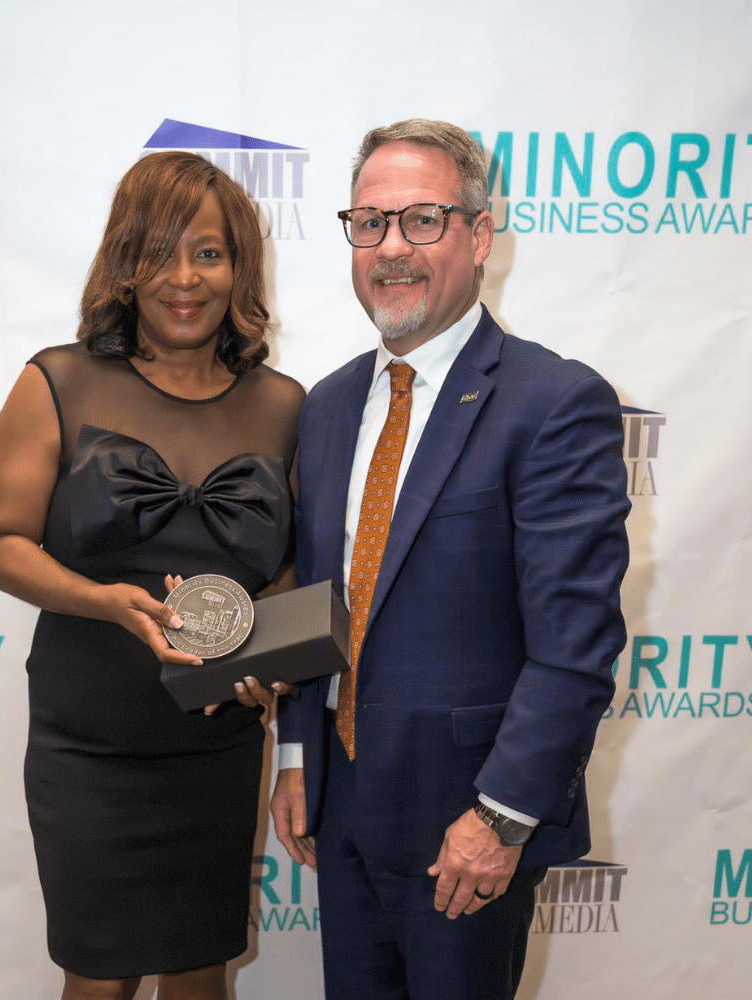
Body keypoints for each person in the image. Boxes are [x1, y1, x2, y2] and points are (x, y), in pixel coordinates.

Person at [271, 119, 630, 1000]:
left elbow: (574, 646)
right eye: (370, 223)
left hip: (466, 830)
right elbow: (317, 598)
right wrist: (293, 755)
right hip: (341, 808)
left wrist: (499, 819)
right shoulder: (326, 406)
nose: (392, 249)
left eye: (423, 221)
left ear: (479, 236)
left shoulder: (554, 403)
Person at [0, 151, 304, 1000]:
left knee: (202, 978)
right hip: (90, 748)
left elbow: (295, 567)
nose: (183, 278)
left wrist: (274, 655)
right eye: (158, 253)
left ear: (238, 269)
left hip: (217, 745)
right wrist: (102, 602)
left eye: (208, 253)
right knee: (99, 981)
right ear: (125, 264)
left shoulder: (285, 404)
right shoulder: (61, 382)